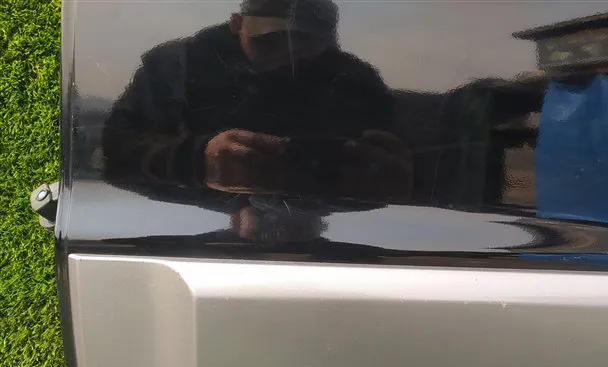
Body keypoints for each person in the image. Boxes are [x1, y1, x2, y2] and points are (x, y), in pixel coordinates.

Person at [102, 0, 412, 214]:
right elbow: (112, 151)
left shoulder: (357, 83)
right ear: (236, 24)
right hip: (191, 227)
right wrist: (197, 159)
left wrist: (389, 172)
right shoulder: (173, 69)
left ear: (330, 41)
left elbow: (413, 167)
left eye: (305, 44)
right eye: (270, 42)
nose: (288, 57)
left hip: (330, 229)